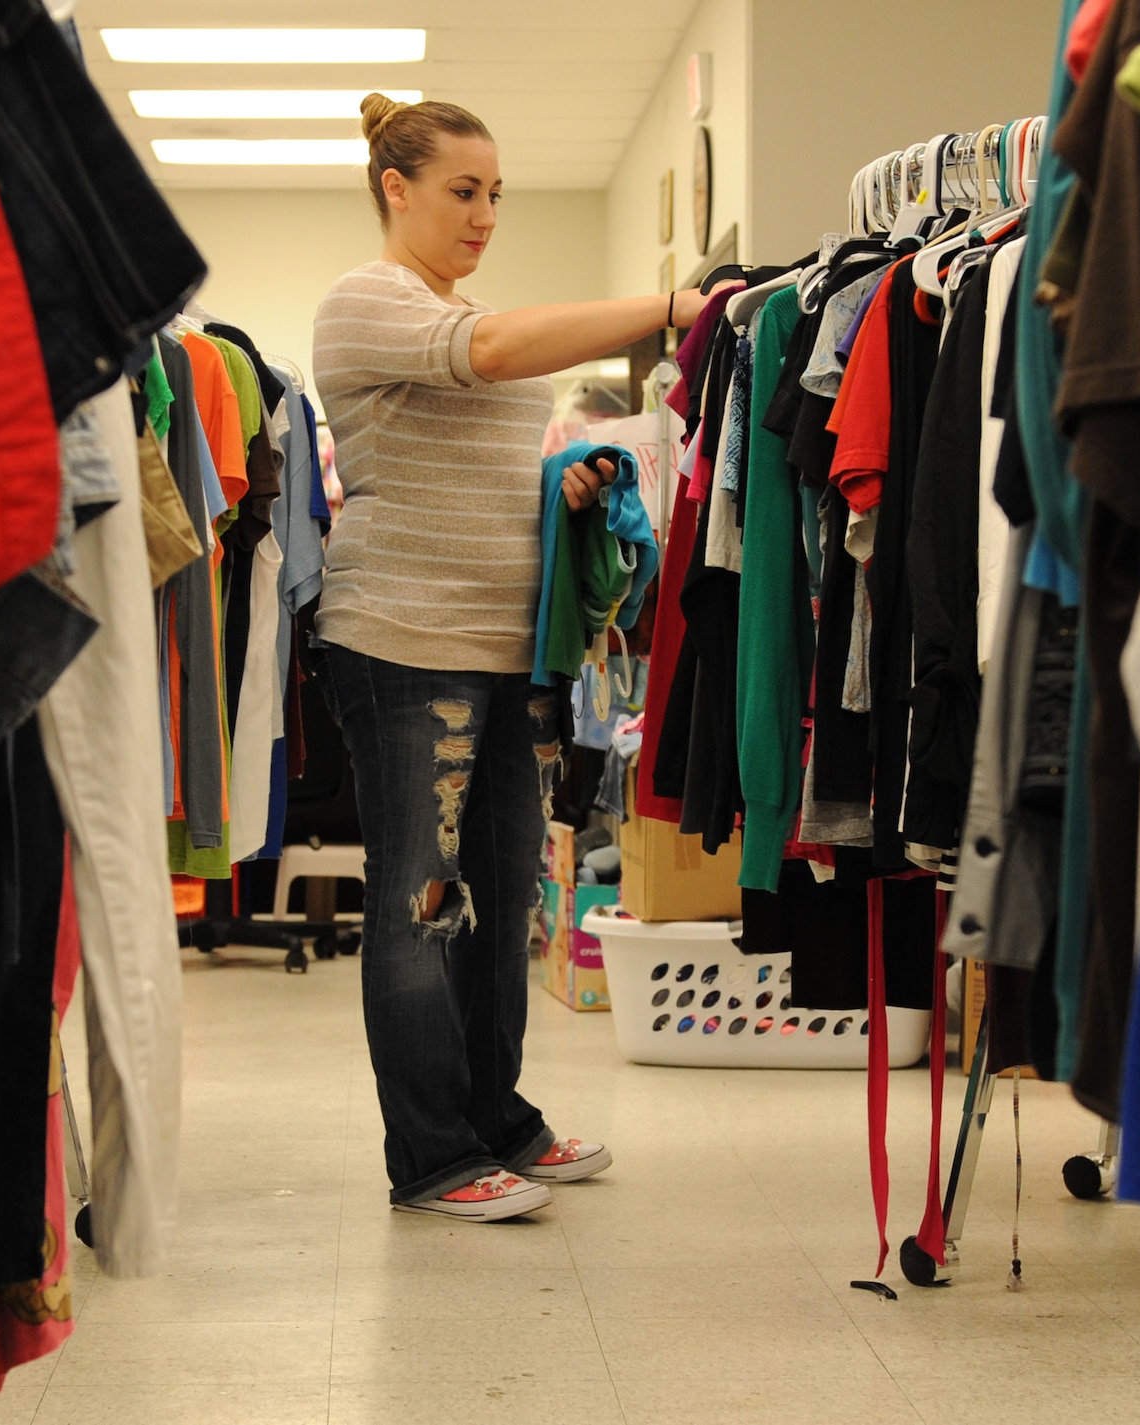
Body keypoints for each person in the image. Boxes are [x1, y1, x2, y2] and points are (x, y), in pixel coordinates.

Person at [311, 93, 729, 1222]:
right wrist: (667, 305)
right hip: (402, 644)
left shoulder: (457, 306)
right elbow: (488, 351)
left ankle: (498, 1120)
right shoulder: (366, 301)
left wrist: (570, 483)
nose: (484, 214)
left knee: (501, 900)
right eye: (463, 191)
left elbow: (488, 415)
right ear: (395, 189)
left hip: (502, 651)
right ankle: (431, 1154)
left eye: (496, 194)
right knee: (418, 902)